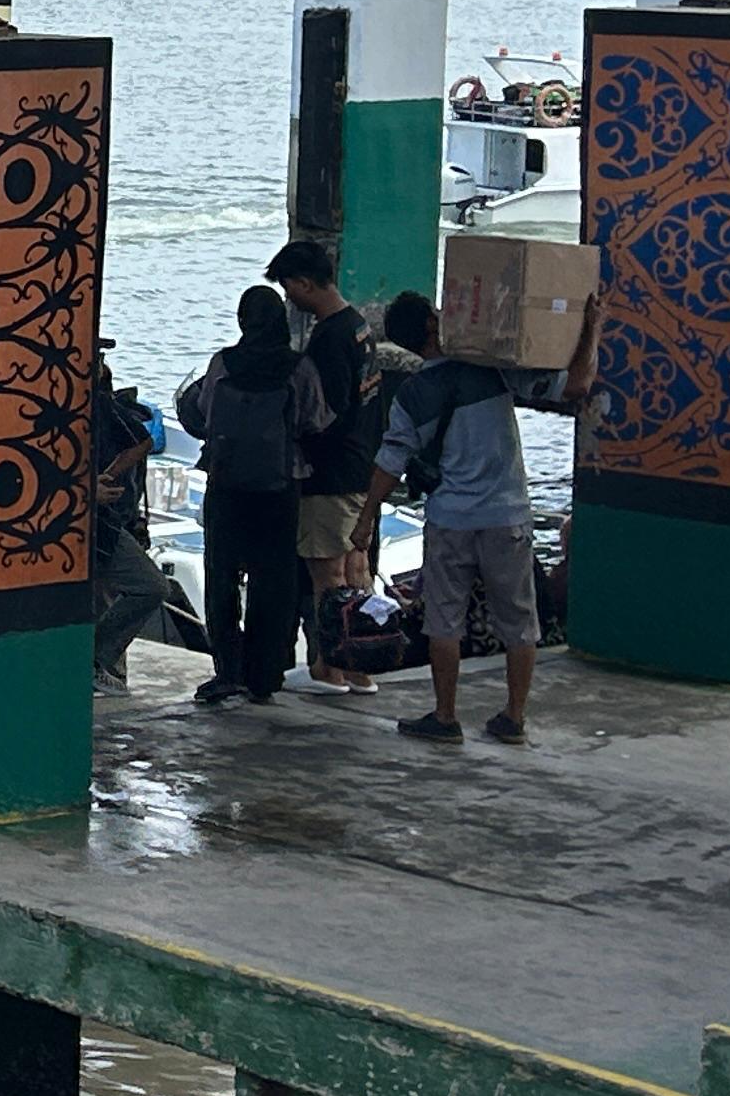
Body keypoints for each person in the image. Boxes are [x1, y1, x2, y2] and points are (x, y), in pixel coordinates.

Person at [381, 288, 595, 745]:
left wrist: (364, 521)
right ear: (434, 326)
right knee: (519, 621)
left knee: (443, 621)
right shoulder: (494, 371)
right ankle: (513, 717)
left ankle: (445, 715)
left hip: (450, 519)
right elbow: (574, 386)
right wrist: (591, 327)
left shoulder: (412, 394)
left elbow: (389, 461)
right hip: (507, 516)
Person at [174, 286, 331, 704]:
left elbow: (204, 415)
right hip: (279, 487)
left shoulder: (223, 363)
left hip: (225, 484)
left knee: (220, 577)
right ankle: (263, 675)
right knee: (273, 580)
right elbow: (314, 421)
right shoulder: (298, 368)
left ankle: (227, 670)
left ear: (243, 320)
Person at [268, 239, 390, 688]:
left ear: (304, 283)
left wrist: (298, 439)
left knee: (328, 575)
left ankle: (331, 668)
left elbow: (328, 412)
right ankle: (362, 667)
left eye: (289, 288)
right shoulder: (359, 327)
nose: (289, 299)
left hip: (330, 472)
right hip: (362, 466)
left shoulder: (329, 339)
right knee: (357, 569)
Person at [89, 345, 166, 694]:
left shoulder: (102, 405)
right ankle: (97, 663)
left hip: (102, 521)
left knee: (149, 586)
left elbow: (143, 441)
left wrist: (107, 475)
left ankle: (95, 659)